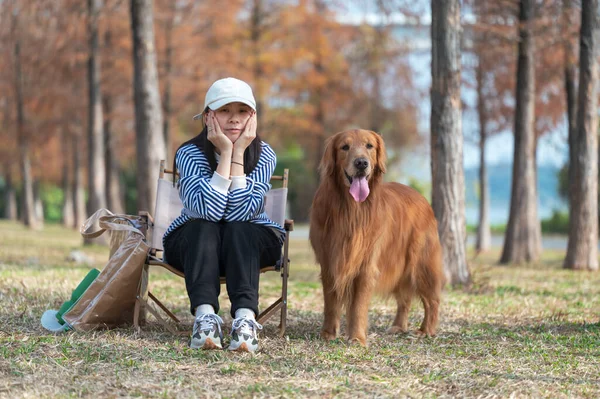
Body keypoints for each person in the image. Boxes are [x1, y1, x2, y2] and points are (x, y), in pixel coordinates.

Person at [162, 77, 285, 353]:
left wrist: (238, 151)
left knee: (239, 229)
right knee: (204, 225)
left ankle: (245, 321)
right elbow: (208, 211)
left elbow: (241, 215)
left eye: (242, 111)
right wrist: (227, 154)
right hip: (195, 248)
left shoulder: (264, 155)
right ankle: (205, 319)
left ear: (252, 117)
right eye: (224, 111)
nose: (234, 120)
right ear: (208, 116)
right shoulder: (190, 153)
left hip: (249, 246)